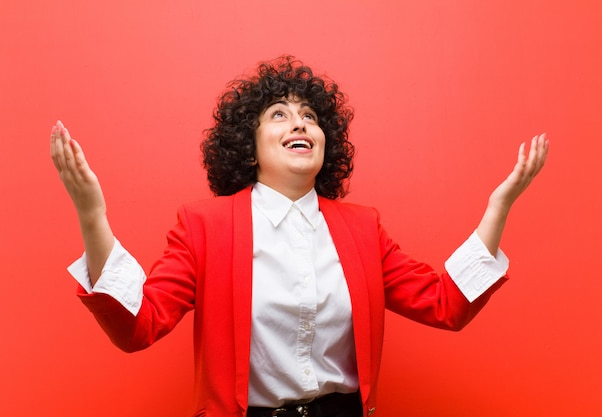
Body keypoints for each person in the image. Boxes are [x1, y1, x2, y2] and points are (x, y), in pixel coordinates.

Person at [50, 56, 549, 417]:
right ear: (250, 147)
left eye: (310, 116)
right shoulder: (203, 226)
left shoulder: (363, 227)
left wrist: (497, 208)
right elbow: (139, 327)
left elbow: (445, 304)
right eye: (281, 115)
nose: (301, 123)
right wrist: (93, 215)